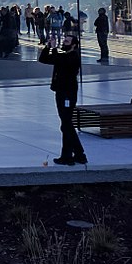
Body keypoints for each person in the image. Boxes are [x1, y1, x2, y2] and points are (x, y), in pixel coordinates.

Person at [38, 34, 86, 166]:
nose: (64, 42)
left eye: (67, 41)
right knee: (66, 124)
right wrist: (48, 46)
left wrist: (54, 49)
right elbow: (44, 59)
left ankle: (71, 155)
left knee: (66, 124)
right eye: (64, 40)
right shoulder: (63, 54)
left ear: (74, 44)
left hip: (67, 93)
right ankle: (76, 154)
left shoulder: (73, 56)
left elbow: (60, 61)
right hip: (61, 91)